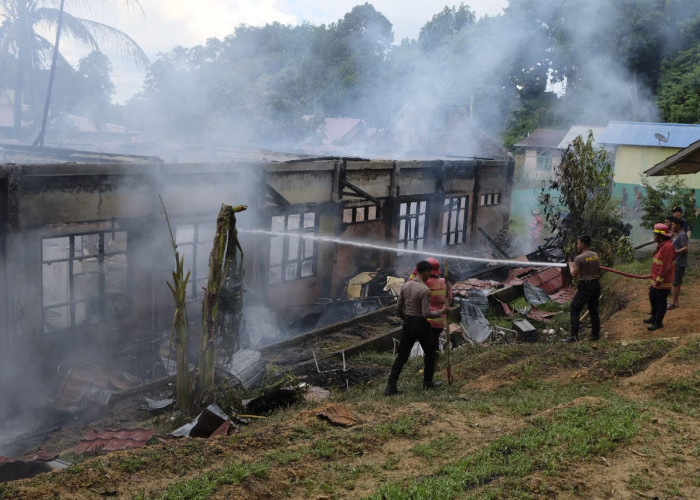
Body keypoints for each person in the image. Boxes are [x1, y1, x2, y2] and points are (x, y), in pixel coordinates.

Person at [385, 260, 446, 395]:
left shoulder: (406, 286)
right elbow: (426, 313)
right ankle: (427, 384)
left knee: (402, 355)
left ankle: (391, 386)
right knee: (430, 352)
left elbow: (398, 307)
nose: (429, 276)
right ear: (425, 273)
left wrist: (404, 317)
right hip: (420, 324)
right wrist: (440, 313)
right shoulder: (424, 290)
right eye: (429, 274)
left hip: (408, 323)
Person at [563, 235, 601, 343]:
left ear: (583, 244)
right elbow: (599, 270)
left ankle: (574, 337)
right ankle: (595, 336)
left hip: (586, 286)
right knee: (594, 311)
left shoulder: (579, 258)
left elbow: (574, 274)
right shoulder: (595, 255)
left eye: (578, 243)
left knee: (574, 308)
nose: (577, 245)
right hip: (596, 284)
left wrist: (571, 265)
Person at [643, 223, 675, 331]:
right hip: (656, 279)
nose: (654, 236)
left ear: (660, 236)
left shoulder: (667, 247)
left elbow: (665, 266)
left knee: (660, 301)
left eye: (655, 234)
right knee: (652, 297)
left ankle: (658, 322)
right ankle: (653, 317)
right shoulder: (661, 245)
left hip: (662, 281)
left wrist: (659, 280)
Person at [425, 257, 451, 369]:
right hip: (441, 319)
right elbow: (449, 298)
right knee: (435, 340)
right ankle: (435, 362)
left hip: (429, 319)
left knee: (429, 343)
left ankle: (432, 364)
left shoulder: (426, 282)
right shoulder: (445, 282)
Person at [668, 217, 689, 310]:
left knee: (676, 283)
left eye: (673, 224)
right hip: (675, 262)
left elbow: (685, 247)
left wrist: (676, 251)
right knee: (674, 282)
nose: (672, 226)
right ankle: (673, 300)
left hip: (680, 262)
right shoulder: (677, 234)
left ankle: (675, 302)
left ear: (678, 225)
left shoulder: (682, 235)